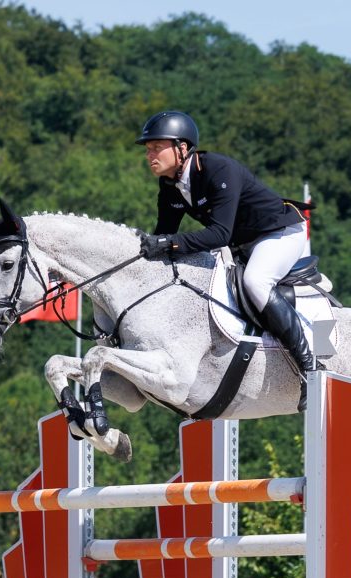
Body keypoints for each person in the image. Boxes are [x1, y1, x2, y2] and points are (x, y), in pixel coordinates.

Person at [135, 110, 318, 406]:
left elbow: (219, 234)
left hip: (279, 233)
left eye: (157, 147)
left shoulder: (217, 170)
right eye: (148, 149)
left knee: (256, 281)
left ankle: (310, 367)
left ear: (182, 148)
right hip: (242, 243)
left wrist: (168, 243)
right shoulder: (169, 187)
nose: (150, 155)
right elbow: (164, 236)